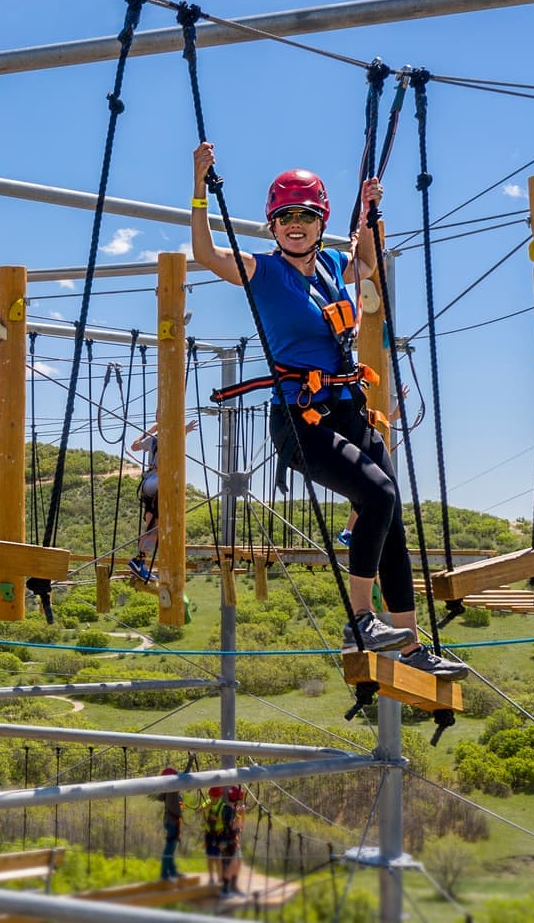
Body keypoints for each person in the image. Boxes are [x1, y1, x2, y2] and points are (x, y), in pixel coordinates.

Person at [190, 142, 467, 680]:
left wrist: (369, 214)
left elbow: (367, 261)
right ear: (273, 225)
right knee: (378, 493)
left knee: (392, 526)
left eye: (306, 216)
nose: (296, 225)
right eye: (286, 217)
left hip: (348, 410)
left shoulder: (335, 264)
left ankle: (409, 647)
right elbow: (206, 254)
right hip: (302, 420)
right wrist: (199, 188)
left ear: (320, 222)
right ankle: (360, 620)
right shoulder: (260, 271)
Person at [128, 419, 199, 582]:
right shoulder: (173, 436)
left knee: (150, 525)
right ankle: (139, 560)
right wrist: (185, 429)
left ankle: (140, 560)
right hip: (161, 480)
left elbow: (134, 445)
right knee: (159, 529)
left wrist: (152, 428)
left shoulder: (152, 439)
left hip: (148, 483)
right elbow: (174, 438)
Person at [221, 785, 250, 897]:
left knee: (238, 863)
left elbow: (241, 826)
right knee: (231, 865)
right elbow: (233, 826)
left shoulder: (233, 810)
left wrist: (242, 814)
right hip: (227, 841)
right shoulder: (227, 810)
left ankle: (233, 887)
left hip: (233, 841)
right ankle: (225, 889)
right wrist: (239, 814)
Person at [156, 766, 185, 881]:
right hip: (172, 822)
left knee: (172, 848)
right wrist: (191, 760)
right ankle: (164, 874)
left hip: (172, 821)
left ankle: (172, 871)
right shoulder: (171, 790)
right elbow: (185, 776)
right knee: (169, 849)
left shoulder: (169, 791)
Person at [200, 785, 227, 888]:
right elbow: (198, 811)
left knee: (217, 858)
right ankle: (211, 878)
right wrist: (206, 807)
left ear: (219, 797)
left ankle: (220, 879)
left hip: (219, 835)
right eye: (211, 797)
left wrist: (216, 819)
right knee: (209, 858)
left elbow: (226, 823)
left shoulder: (223, 807)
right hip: (208, 834)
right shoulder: (207, 803)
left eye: (214, 797)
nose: (212, 799)